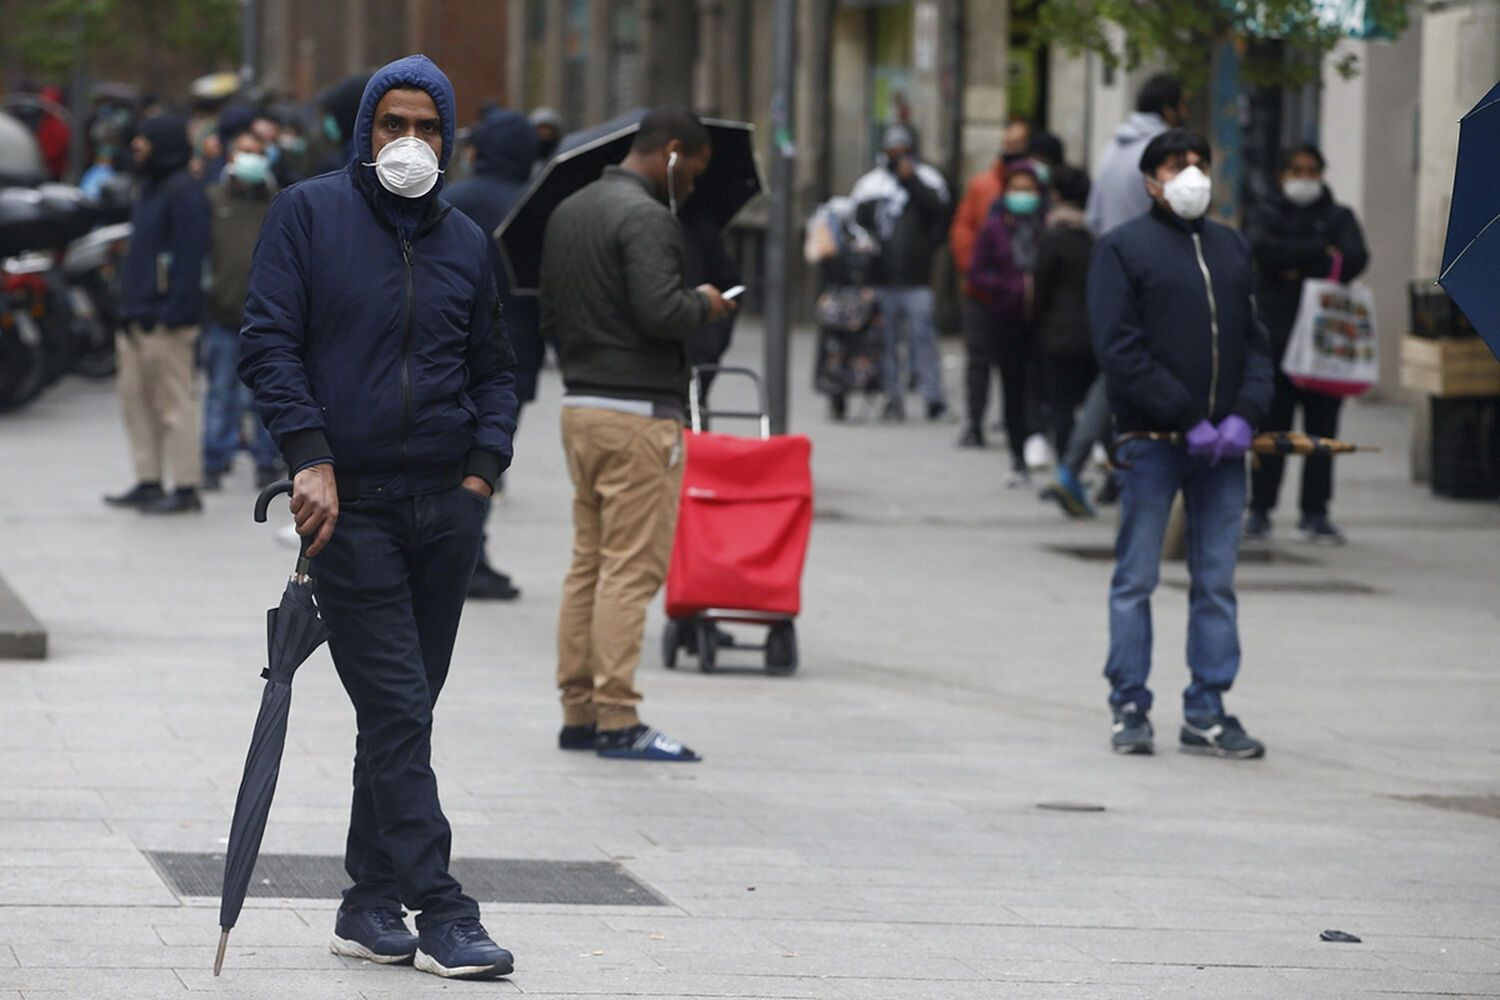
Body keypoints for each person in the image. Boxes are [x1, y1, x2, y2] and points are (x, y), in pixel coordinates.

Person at [239, 54, 519, 980]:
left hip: (444, 510)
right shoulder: (307, 216)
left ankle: (367, 903)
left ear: (450, 137)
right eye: (392, 124)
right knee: (399, 704)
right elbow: (268, 343)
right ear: (365, 132)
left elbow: (495, 369)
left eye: (427, 126)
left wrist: (481, 477)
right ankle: (441, 908)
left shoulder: (470, 241)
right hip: (345, 510)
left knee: (402, 714)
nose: (410, 142)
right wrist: (309, 456)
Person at [542, 106, 733, 762]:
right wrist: (705, 303)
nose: (694, 187)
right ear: (672, 151)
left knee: (589, 563)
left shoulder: (570, 210)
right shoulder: (649, 218)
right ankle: (619, 718)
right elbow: (660, 311)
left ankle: (578, 710)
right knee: (630, 568)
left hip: (581, 406)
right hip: (637, 414)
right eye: (695, 171)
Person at [1088, 128, 1273, 759]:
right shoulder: (1123, 250)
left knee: (1216, 580)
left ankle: (1208, 707)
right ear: (1150, 181)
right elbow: (1119, 350)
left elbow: (1254, 342)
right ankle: (1129, 704)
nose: (1192, 173)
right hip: (1154, 440)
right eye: (1177, 164)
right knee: (1136, 576)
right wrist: (1187, 414)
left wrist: (1245, 414)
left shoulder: (1230, 249)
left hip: (1223, 448)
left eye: (1200, 162)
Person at [1245, 144, 1369, 544]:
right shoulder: (1266, 212)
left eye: (1312, 170)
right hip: (1278, 340)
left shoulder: (1339, 215)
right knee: (1273, 430)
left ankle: (1315, 512)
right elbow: (1264, 251)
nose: (1304, 178)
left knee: (1321, 433)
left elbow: (1354, 257)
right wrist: (1319, 252)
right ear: (1282, 175)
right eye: (1296, 170)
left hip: (1323, 347)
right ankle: (1260, 509)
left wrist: (1294, 263)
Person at [444, 108, 542, 601]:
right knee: (486, 457)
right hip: (512, 355)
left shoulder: (448, 201)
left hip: (444, 351)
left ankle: (458, 553)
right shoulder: (532, 208)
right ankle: (469, 556)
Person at [104, 113, 211, 515]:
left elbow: (189, 259)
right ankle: (149, 479)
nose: (136, 147)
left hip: (166, 323)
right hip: (136, 317)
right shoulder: (148, 188)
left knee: (174, 405)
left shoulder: (184, 191)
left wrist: (172, 312)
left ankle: (186, 486)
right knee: (137, 403)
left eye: (144, 141)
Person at [850, 124, 951, 422]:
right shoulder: (870, 185)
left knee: (924, 339)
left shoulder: (928, 180)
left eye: (903, 151)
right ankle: (892, 397)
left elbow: (941, 215)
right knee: (886, 341)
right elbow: (857, 223)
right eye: (892, 152)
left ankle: (933, 398)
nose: (897, 158)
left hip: (917, 278)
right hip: (881, 278)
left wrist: (913, 183)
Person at [202, 127, 281, 491]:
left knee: (265, 398)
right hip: (223, 315)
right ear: (231, 158)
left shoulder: (278, 202)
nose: (250, 158)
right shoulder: (213, 199)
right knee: (220, 393)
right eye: (243, 151)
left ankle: (267, 462)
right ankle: (214, 461)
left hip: (266, 321)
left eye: (257, 152)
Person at [967, 161, 1045, 485]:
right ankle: (1018, 454)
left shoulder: (1049, 225)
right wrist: (1008, 287)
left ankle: (1040, 439)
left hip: (1043, 319)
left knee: (1040, 384)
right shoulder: (994, 227)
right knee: (1013, 385)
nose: (1022, 195)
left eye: (1028, 189)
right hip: (1004, 316)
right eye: (1017, 189)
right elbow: (977, 271)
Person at [1032, 164, 1097, 511]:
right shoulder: (1093, 237)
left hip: (1058, 335)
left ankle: (1069, 470)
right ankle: (1103, 475)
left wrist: (1033, 323)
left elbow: (1040, 289)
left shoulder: (1053, 237)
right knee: (1096, 410)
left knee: (1062, 409)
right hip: (1092, 336)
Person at [950, 143, 1007, 447]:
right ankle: (975, 421)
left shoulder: (1035, 188)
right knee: (978, 360)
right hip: (981, 291)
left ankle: (1020, 425)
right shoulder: (982, 185)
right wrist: (972, 269)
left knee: (1016, 363)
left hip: (1016, 295)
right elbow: (962, 229)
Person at [680, 201, 742, 403]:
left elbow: (730, 284)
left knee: (693, 419)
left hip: (696, 352)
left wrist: (712, 340)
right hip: (634, 368)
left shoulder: (697, 224)